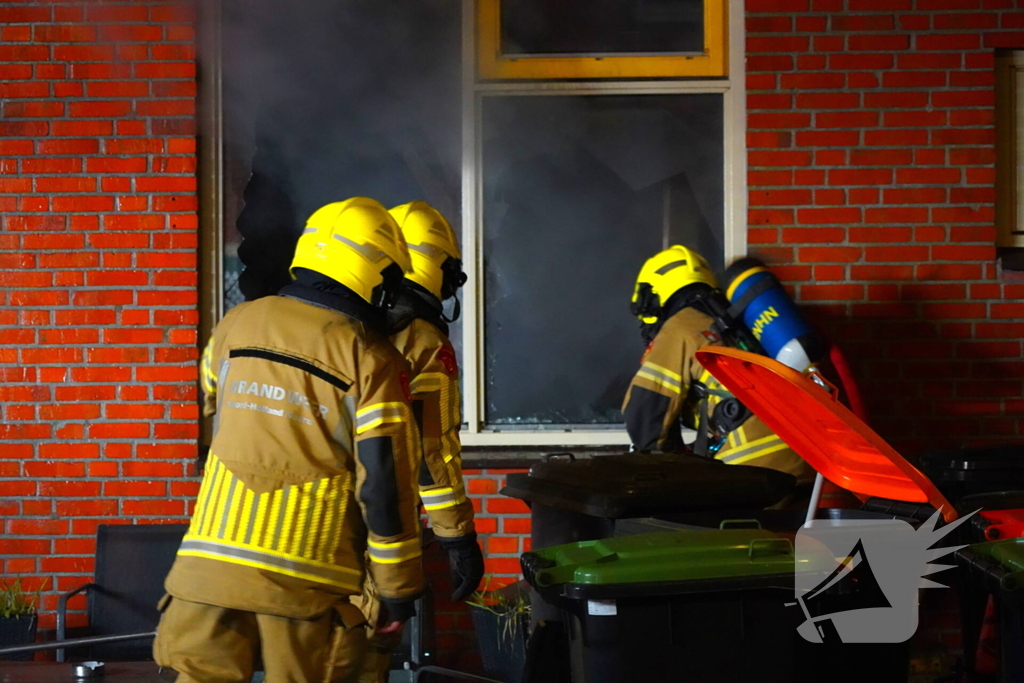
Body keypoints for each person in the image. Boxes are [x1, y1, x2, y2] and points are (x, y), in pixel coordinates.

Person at [154, 197, 425, 683]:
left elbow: (213, 402)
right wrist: (397, 591)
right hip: (305, 583)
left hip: (206, 573)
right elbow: (384, 488)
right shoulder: (371, 359)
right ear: (372, 273)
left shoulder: (236, 323)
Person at [353, 201, 484, 682]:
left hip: (315, 527)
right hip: (378, 531)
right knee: (364, 655)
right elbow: (432, 452)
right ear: (436, 268)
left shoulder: (349, 326)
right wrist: (458, 536)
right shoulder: (424, 340)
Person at [621, 244, 812, 482]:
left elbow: (645, 411)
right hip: (803, 458)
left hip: (752, 465)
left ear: (654, 296)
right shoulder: (736, 320)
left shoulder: (680, 326)